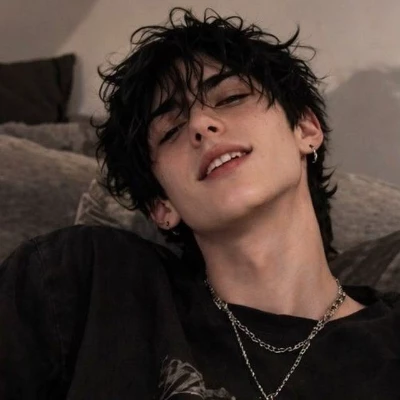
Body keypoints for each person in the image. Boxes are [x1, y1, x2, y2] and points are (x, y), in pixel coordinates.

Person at [0, 7, 399, 400]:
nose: (200, 125)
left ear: (306, 129)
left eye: (231, 98)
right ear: (161, 206)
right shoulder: (85, 278)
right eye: (170, 130)